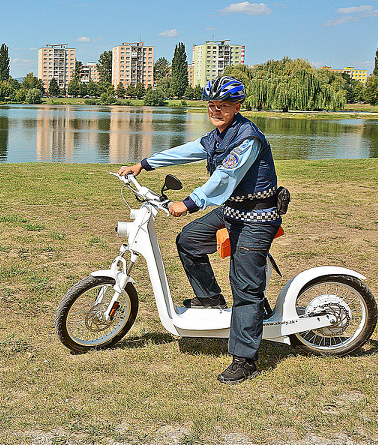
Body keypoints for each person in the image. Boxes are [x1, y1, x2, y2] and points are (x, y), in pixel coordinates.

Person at [118, 76, 281, 384]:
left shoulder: (247, 138)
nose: (215, 111)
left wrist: (190, 203)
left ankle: (245, 359)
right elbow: (190, 150)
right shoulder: (218, 136)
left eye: (222, 106)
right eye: (211, 105)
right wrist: (145, 164)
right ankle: (209, 298)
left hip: (257, 217)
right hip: (233, 211)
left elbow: (224, 178)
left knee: (244, 285)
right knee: (189, 240)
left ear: (237, 106)